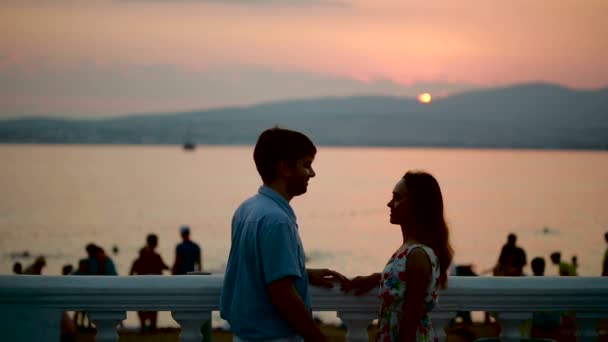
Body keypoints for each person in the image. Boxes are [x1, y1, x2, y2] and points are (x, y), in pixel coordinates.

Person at [220, 127, 348, 342]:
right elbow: (282, 294)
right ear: (285, 168)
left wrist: (300, 272)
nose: (312, 173)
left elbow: (255, 268)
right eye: (306, 165)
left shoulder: (247, 209)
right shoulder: (277, 220)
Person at [343, 170, 454, 342]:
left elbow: (410, 319)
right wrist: (376, 278)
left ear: (418, 205)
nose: (389, 204)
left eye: (397, 198)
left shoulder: (417, 254)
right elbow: (405, 281)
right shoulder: (411, 250)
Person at [130, 234, 169, 333]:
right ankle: (153, 327)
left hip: (141, 287)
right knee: (153, 307)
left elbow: (131, 273)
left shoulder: (140, 257)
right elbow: (164, 266)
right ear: (155, 242)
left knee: (142, 307)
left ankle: (144, 327)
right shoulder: (155, 256)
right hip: (154, 287)